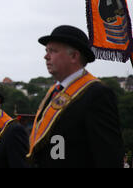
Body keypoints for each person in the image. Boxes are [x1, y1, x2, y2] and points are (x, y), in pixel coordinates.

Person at [28, 25, 124, 167]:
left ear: (74, 56)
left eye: (53, 51)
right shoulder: (54, 92)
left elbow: (108, 155)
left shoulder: (97, 94)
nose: (46, 56)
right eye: (46, 51)